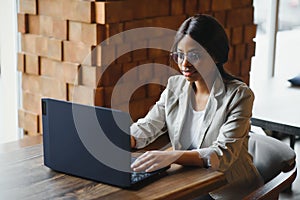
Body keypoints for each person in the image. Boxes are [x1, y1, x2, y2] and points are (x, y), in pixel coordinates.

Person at [130, 14, 263, 199]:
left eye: (194, 55)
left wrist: (174, 156)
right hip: (189, 181)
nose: (184, 64)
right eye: (179, 55)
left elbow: (222, 155)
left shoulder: (239, 95)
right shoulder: (175, 86)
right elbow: (148, 126)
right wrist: (126, 138)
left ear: (216, 55)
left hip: (228, 190)